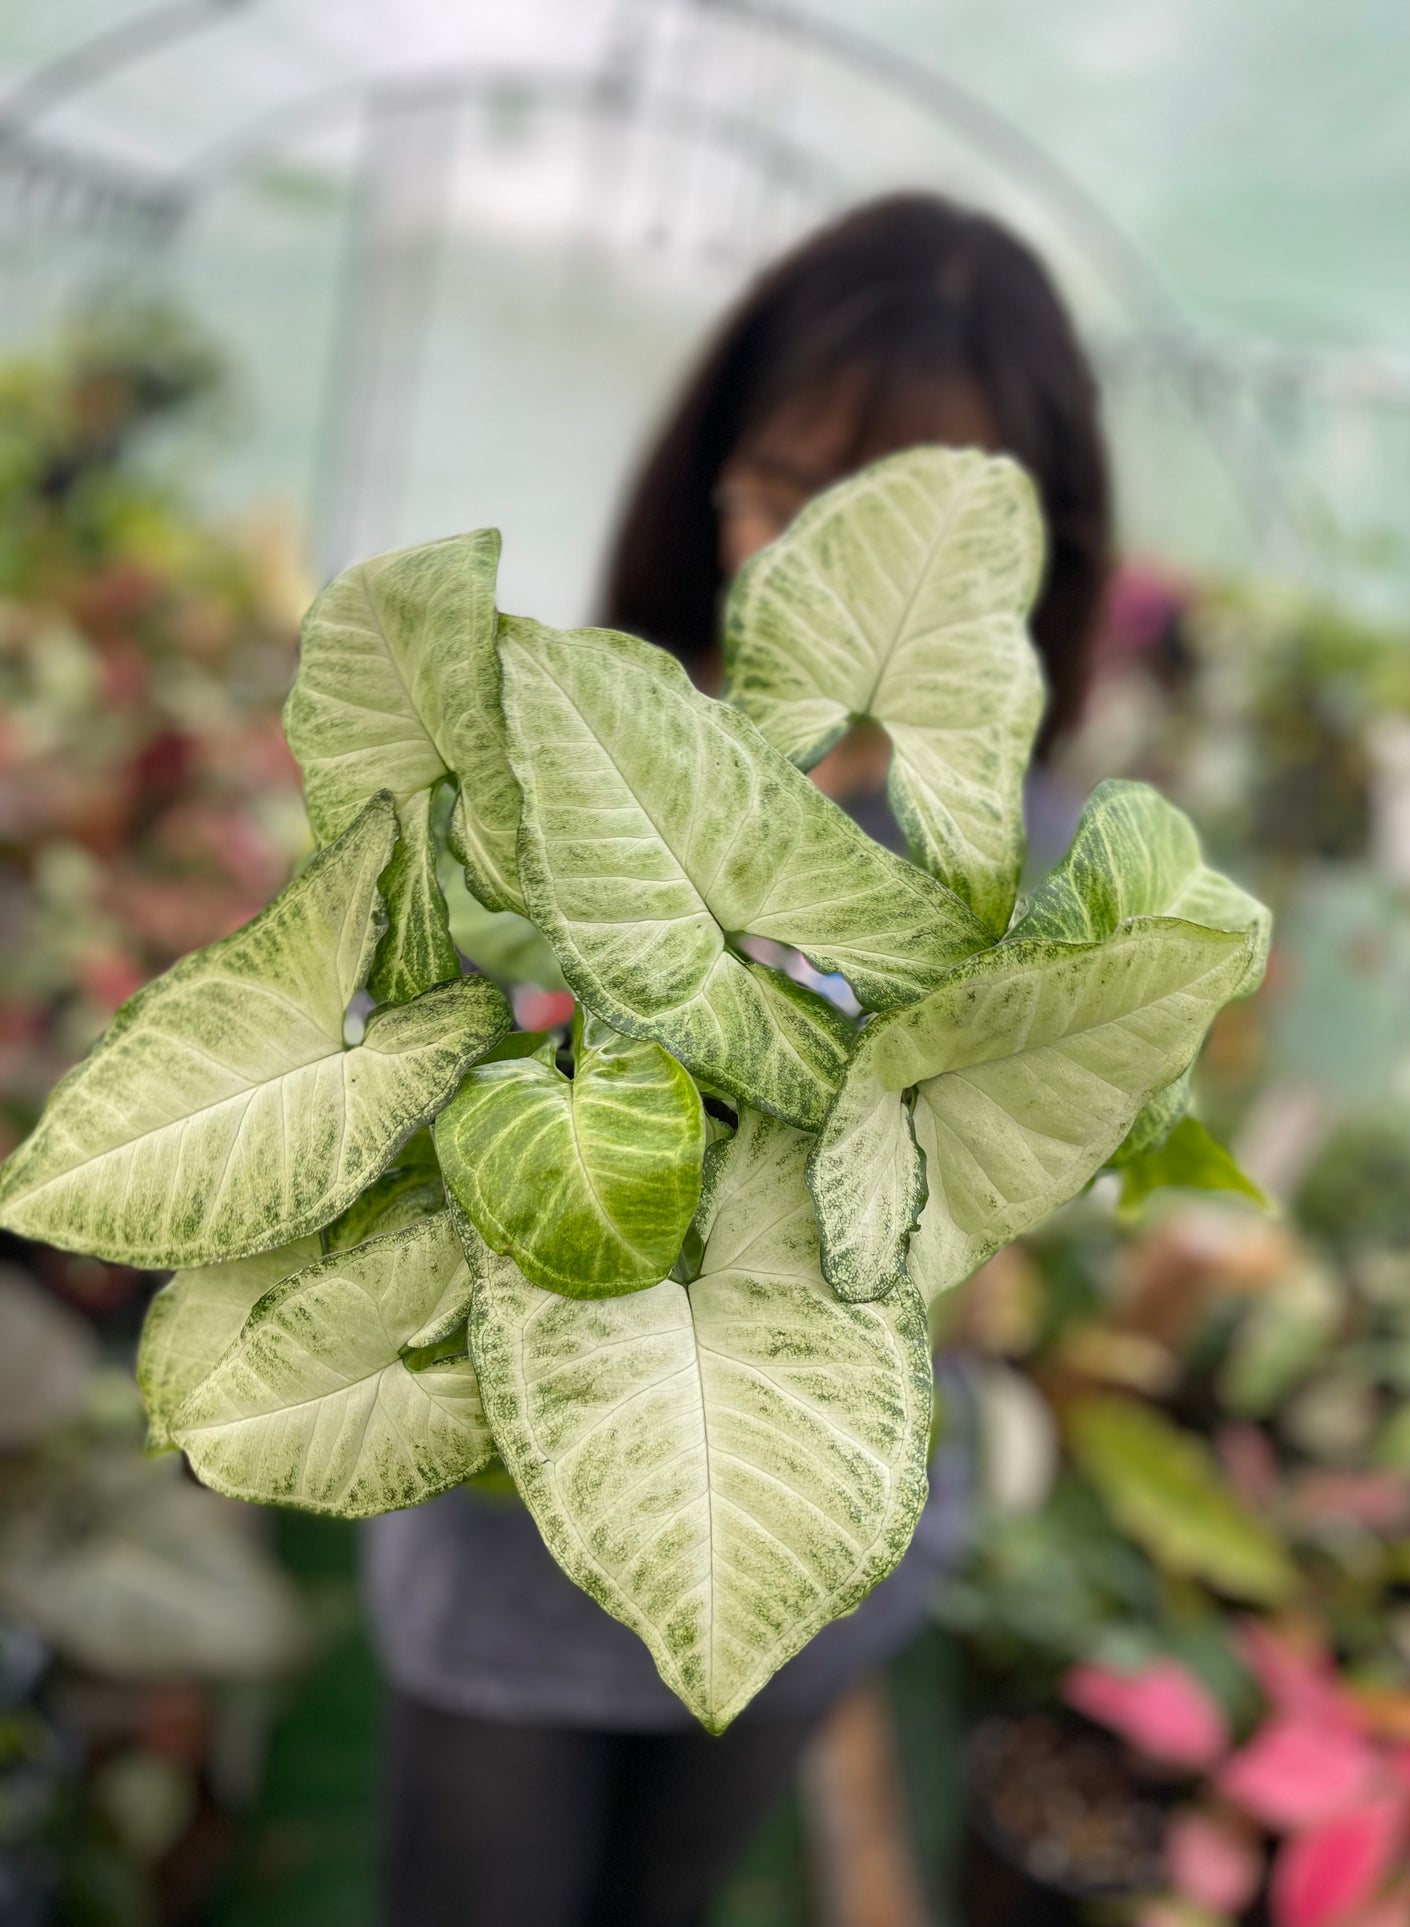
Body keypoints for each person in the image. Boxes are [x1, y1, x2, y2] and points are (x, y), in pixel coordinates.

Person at [367, 191, 1113, 1927]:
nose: (821, 577)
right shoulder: (580, 743)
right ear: (711, 471)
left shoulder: (1039, 855)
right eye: (788, 494)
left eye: (909, 526)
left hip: (802, 1547)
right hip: (516, 1539)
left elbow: (988, 1223)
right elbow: (392, 1047)